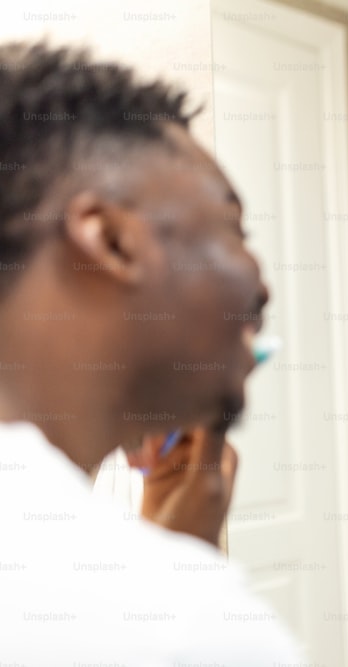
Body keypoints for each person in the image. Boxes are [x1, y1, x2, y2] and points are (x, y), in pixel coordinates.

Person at [0, 42, 302, 663]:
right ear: (111, 240)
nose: (259, 283)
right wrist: (177, 591)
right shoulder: (185, 626)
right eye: (231, 228)